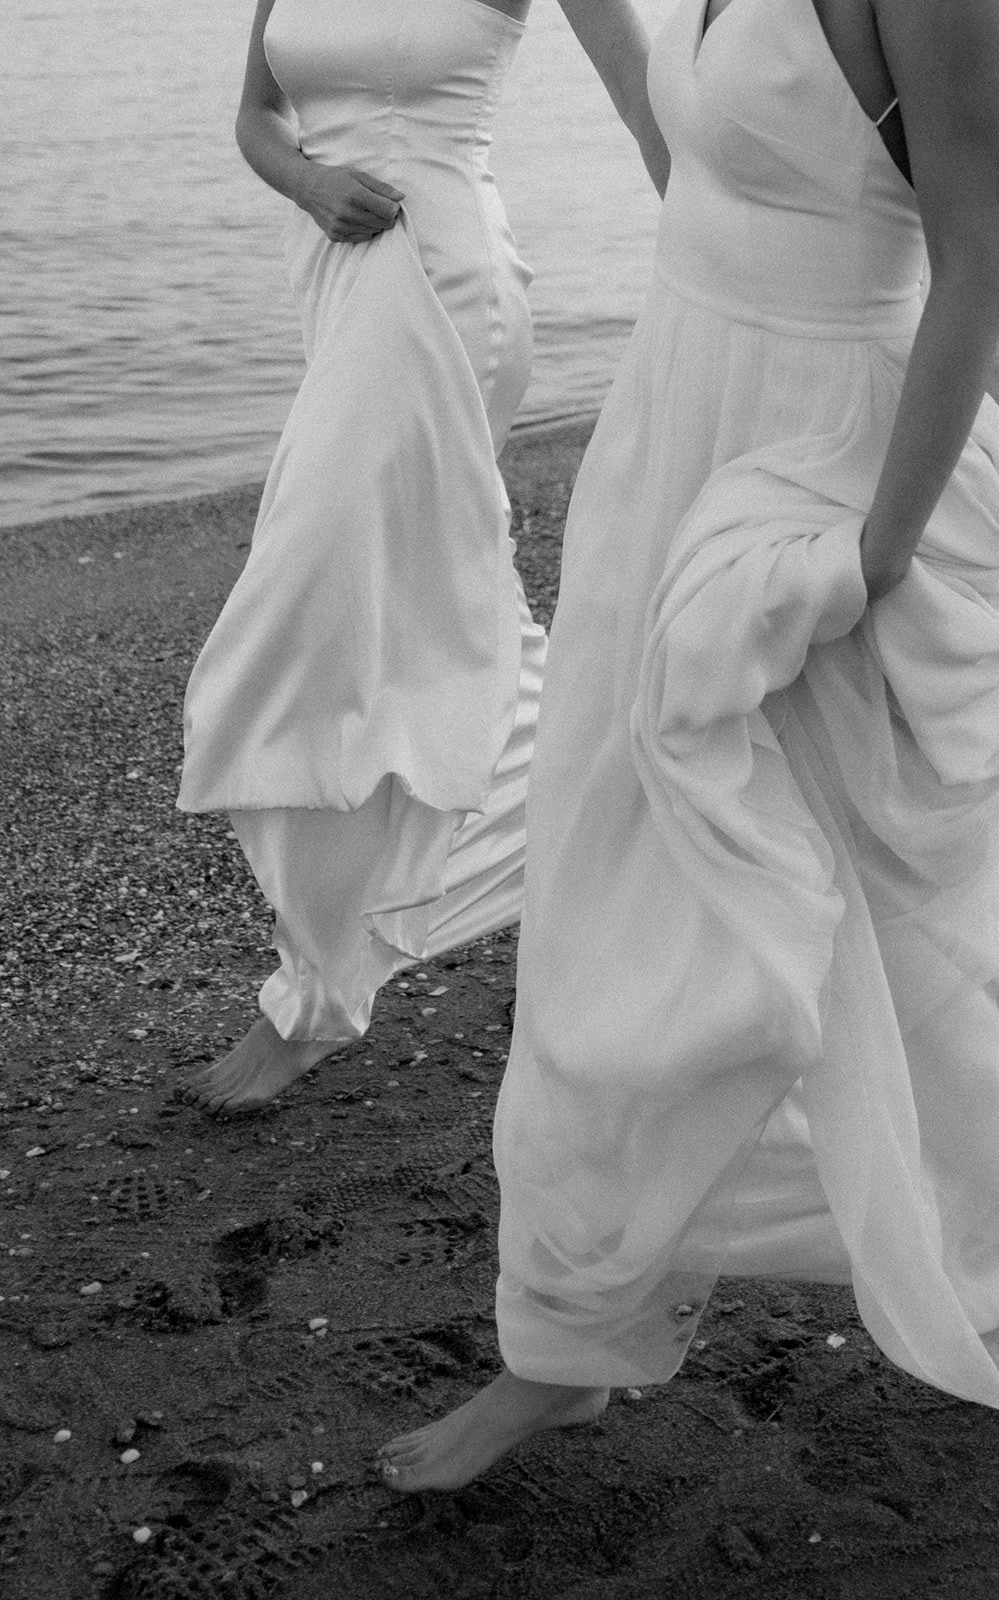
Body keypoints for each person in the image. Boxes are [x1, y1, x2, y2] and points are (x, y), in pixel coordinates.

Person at [377, 0, 999, 1492]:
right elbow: (697, 160)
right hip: (670, 440)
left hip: (818, 477)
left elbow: (979, 261)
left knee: (902, 922)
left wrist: (872, 556)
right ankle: (567, 1338)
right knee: (601, 889)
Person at [177, 0, 669, 1114]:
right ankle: (630, 808)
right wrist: (308, 185)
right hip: (341, 282)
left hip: (447, 285)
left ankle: (312, 1000)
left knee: (306, 607)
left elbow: (649, 105)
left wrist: (749, 285)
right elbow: (257, 115)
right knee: (438, 613)